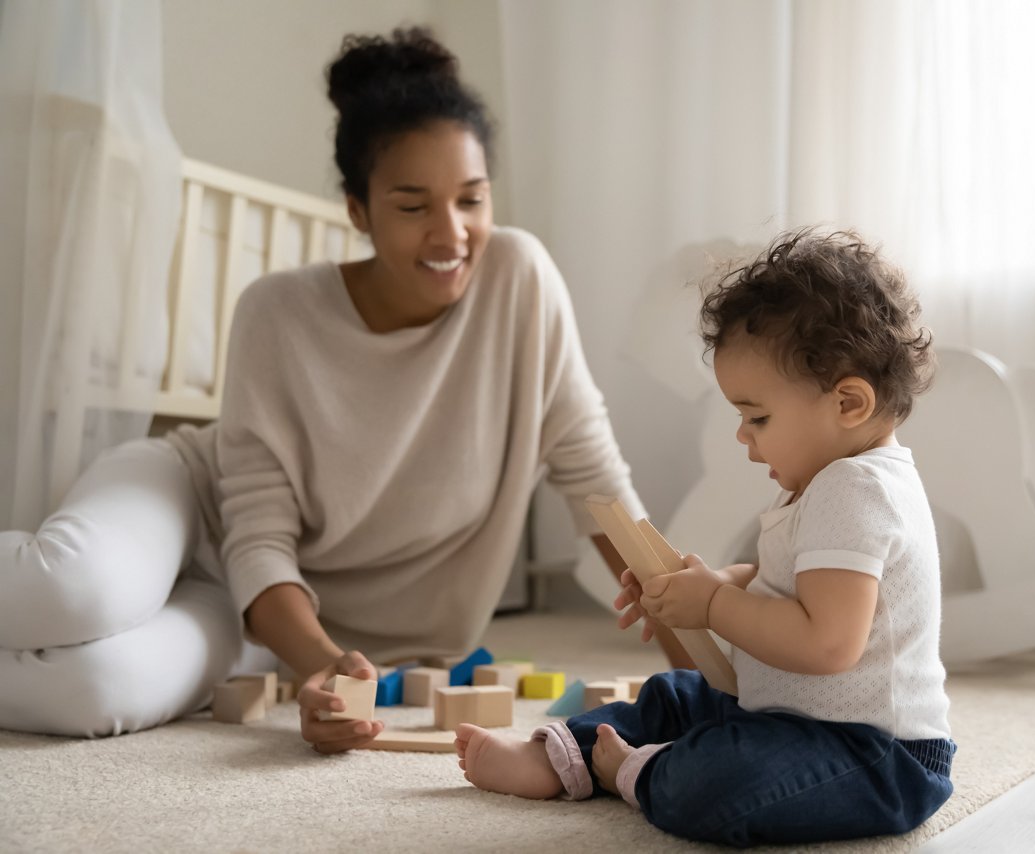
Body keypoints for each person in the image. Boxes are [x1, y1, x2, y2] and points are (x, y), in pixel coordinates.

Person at [0, 27, 684, 748]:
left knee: (91, 693)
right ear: (359, 211)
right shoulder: (276, 309)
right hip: (197, 510)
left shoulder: (520, 278)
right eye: (413, 206)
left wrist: (703, 667)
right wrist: (326, 665)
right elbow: (256, 533)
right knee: (71, 592)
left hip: (276, 622)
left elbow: (598, 487)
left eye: (472, 200)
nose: (451, 234)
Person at [454, 228, 957, 847]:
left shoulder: (858, 489)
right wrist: (718, 583)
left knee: (719, 778)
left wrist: (716, 607)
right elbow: (792, 585)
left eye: (758, 417)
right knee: (675, 695)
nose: (744, 438)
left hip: (876, 753)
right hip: (786, 712)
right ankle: (564, 754)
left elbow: (828, 643)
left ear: (849, 403)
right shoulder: (830, 481)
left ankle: (637, 773)